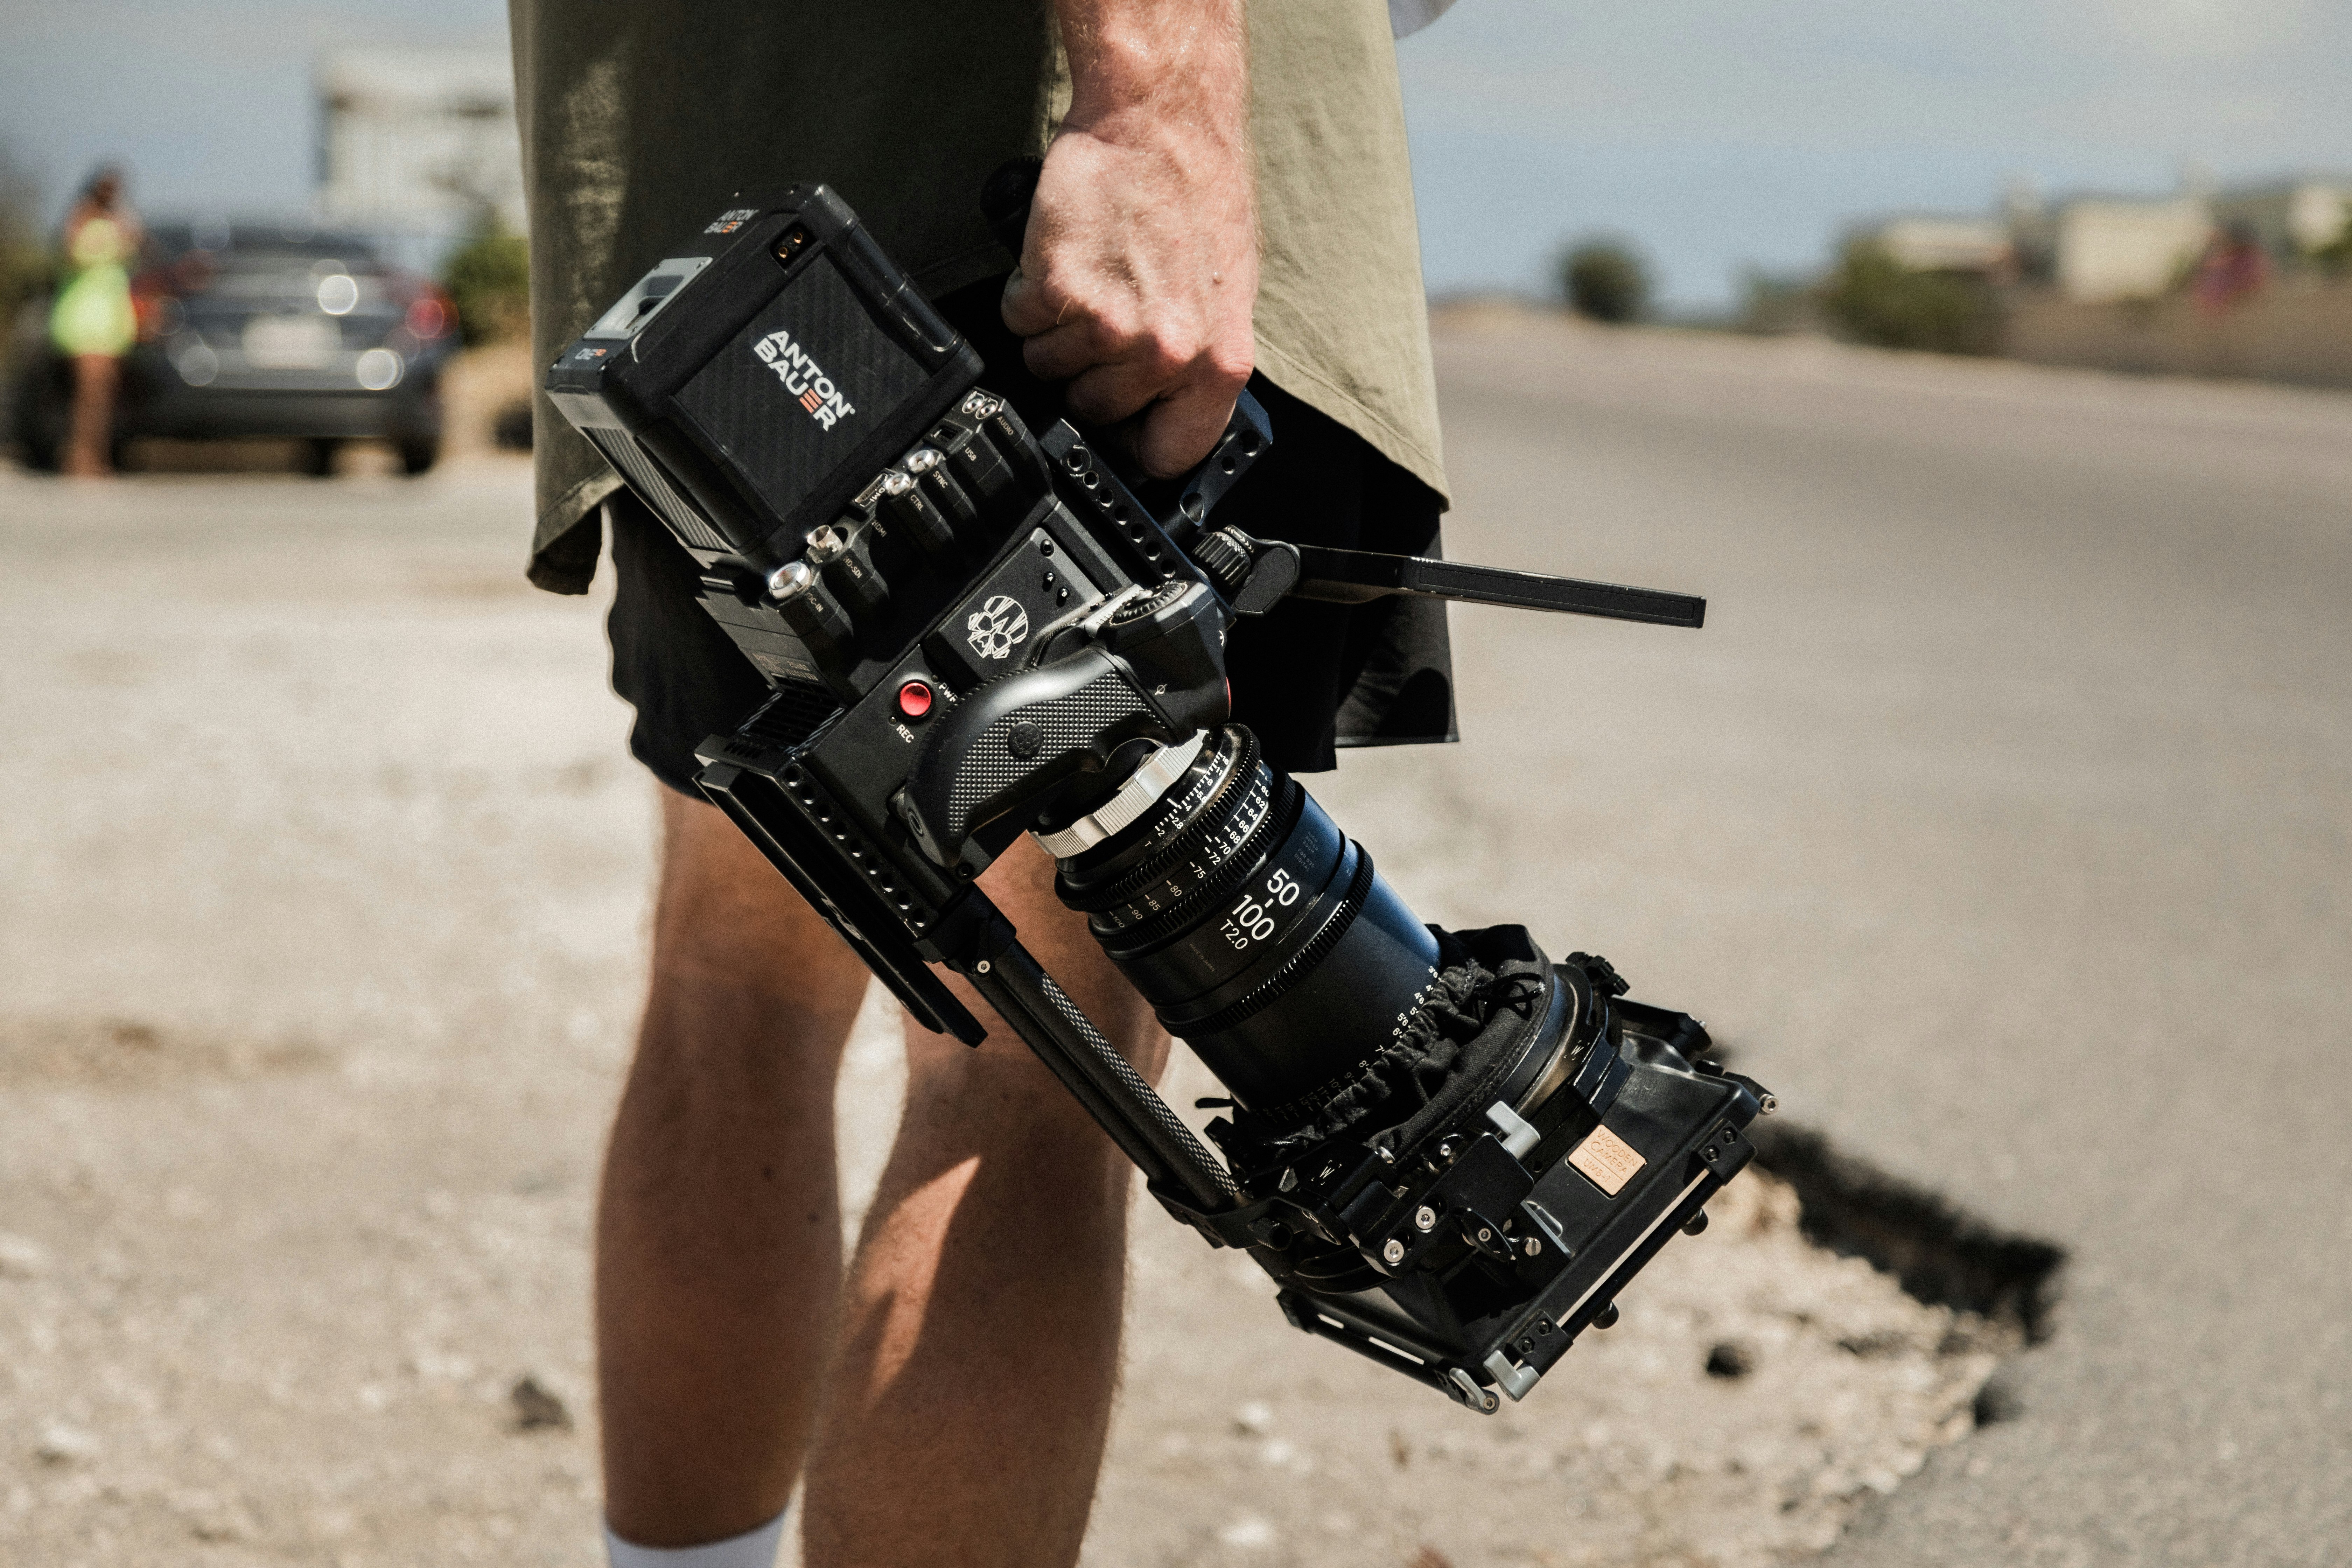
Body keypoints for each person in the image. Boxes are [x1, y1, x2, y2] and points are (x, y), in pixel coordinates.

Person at [510, 2, 1457, 1563]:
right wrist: (1149, 102)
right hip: (1023, 209)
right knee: (1026, 1076)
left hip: (712, 215)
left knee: (732, 983)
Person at [48, 166, 141, 478]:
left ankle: (96, 455)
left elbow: (138, 244)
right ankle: (78, 456)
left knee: (104, 392)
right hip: (85, 313)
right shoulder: (80, 217)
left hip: (111, 315)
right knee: (88, 392)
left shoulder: (120, 221)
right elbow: (69, 253)